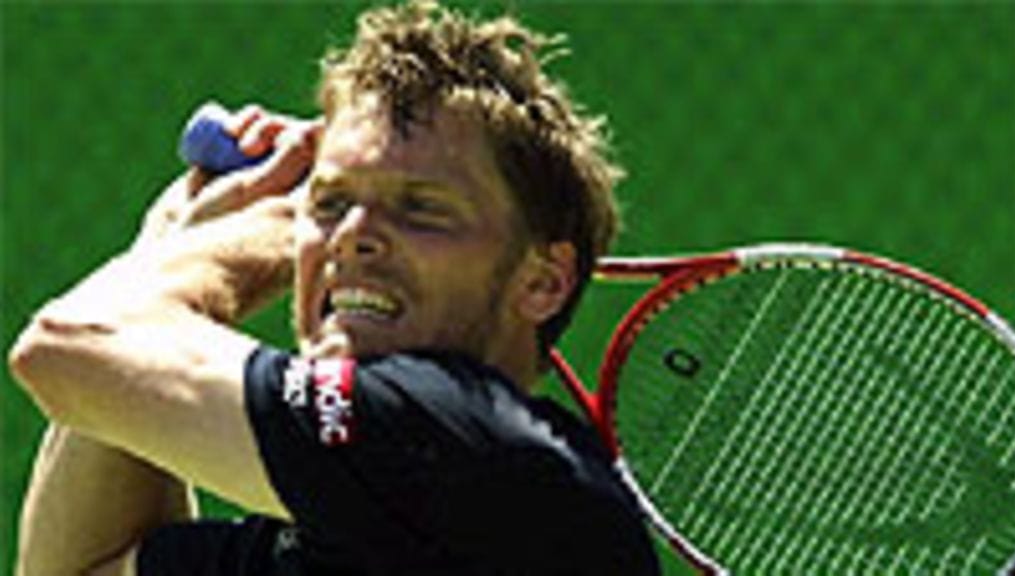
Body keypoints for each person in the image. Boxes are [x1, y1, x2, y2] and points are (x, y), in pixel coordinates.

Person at [9, 2, 660, 575]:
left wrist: (237, 237)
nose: (350, 236)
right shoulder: (342, 524)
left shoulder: (490, 452)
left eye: (421, 207)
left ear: (543, 281)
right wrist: (167, 250)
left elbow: (65, 345)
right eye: (330, 204)